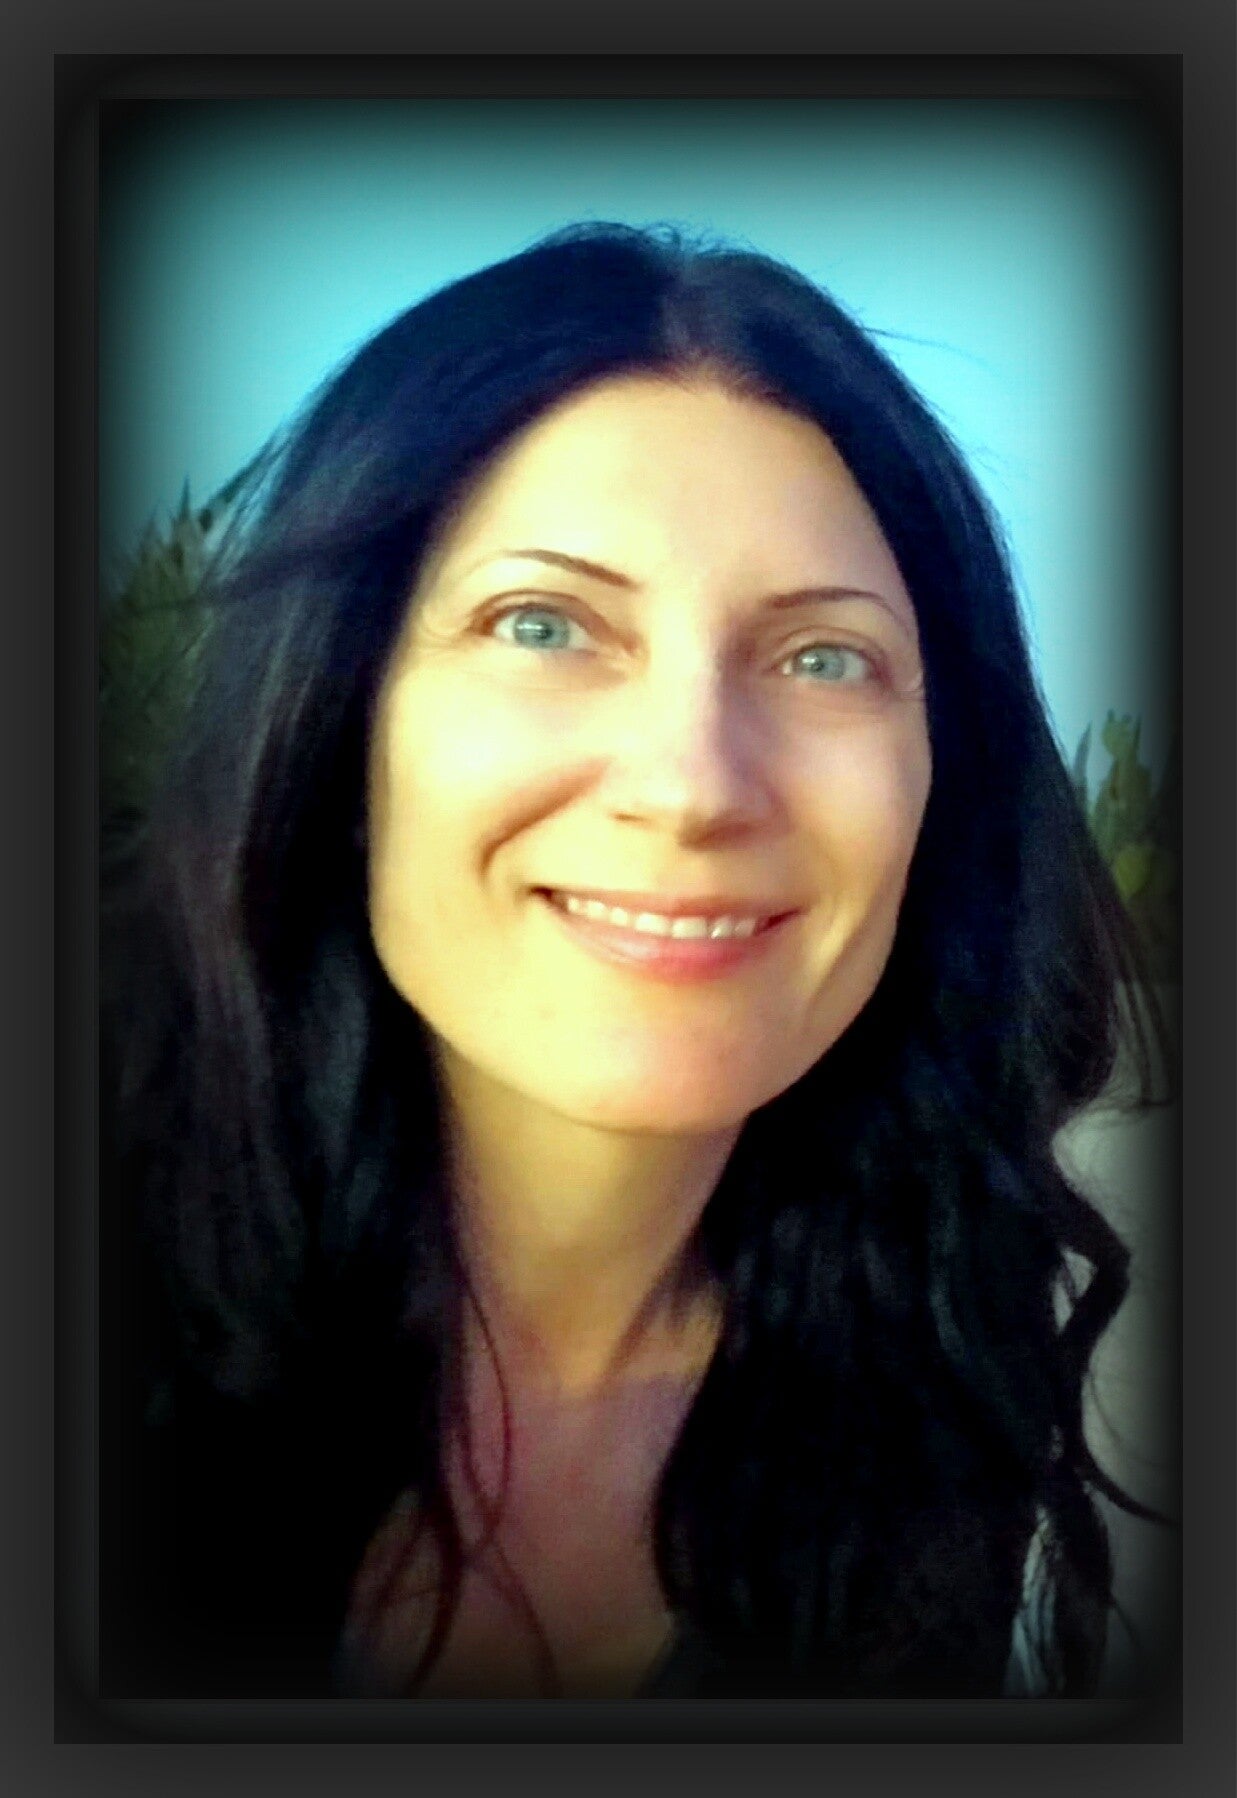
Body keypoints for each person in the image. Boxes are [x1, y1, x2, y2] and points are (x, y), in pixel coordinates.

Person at [101, 221, 1162, 1702]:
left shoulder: (951, 1380)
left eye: (823, 657)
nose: (691, 785)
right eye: (542, 624)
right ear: (339, 726)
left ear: (942, 792)